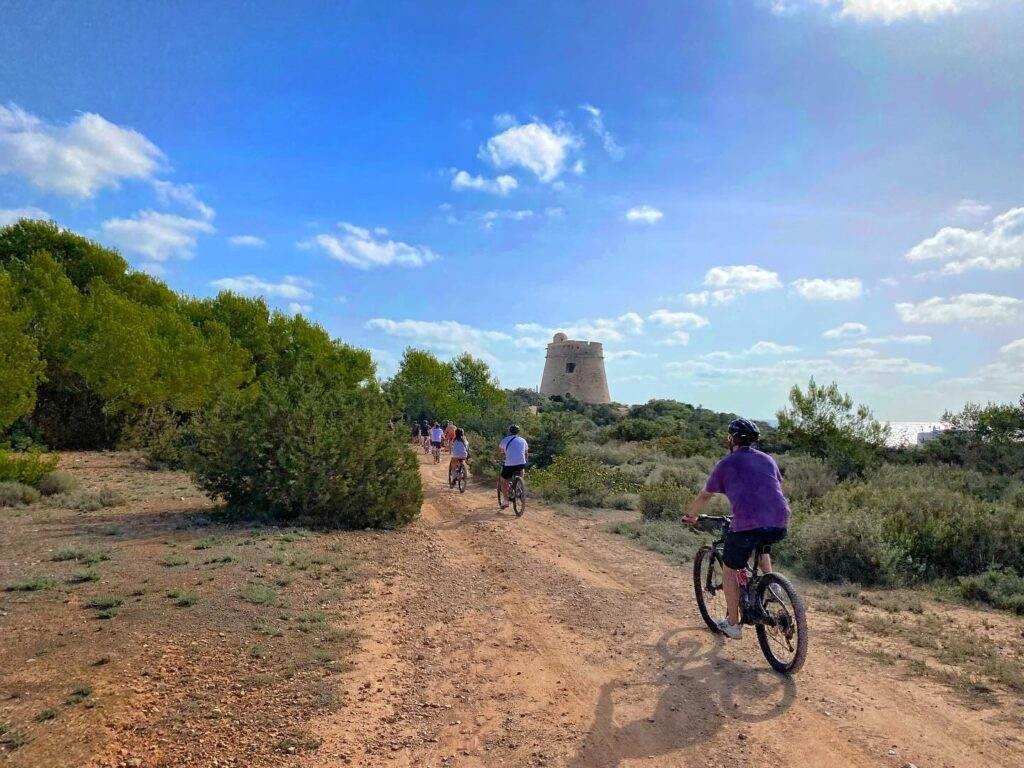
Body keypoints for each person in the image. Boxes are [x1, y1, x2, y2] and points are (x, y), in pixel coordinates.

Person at [681, 418, 790, 640]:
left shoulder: (726, 463)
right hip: (778, 521)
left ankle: (732, 624)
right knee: (762, 543)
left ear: (732, 439)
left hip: (747, 526)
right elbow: (775, 487)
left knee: (730, 569)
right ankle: (771, 585)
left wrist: (691, 515)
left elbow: (705, 495)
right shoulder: (768, 460)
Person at [496, 424, 529, 509]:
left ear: (509, 431)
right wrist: (524, 460)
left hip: (510, 464)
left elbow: (499, 452)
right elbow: (526, 453)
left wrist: (497, 458)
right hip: (521, 463)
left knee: (503, 480)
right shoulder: (523, 440)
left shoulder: (505, 440)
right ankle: (519, 485)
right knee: (521, 469)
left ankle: (506, 501)